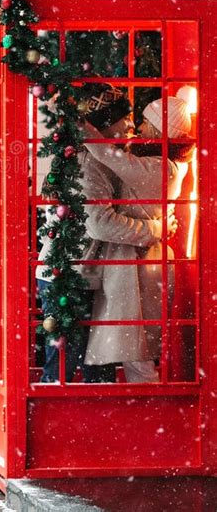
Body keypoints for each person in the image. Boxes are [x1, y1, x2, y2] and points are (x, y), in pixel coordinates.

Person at [36, 85, 173, 383]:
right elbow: (100, 223)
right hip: (69, 277)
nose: (131, 125)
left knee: (94, 365)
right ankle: (64, 426)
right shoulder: (89, 163)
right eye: (122, 118)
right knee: (66, 366)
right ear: (104, 124)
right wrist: (154, 230)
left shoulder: (103, 158)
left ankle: (95, 425)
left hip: (81, 273)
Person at [81, 96, 194, 383]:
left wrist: (83, 127)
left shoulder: (163, 167)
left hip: (139, 264)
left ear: (159, 130)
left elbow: (111, 157)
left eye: (145, 122)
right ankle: (142, 410)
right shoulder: (161, 161)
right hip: (132, 260)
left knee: (136, 350)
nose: (138, 129)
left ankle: (150, 412)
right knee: (133, 348)